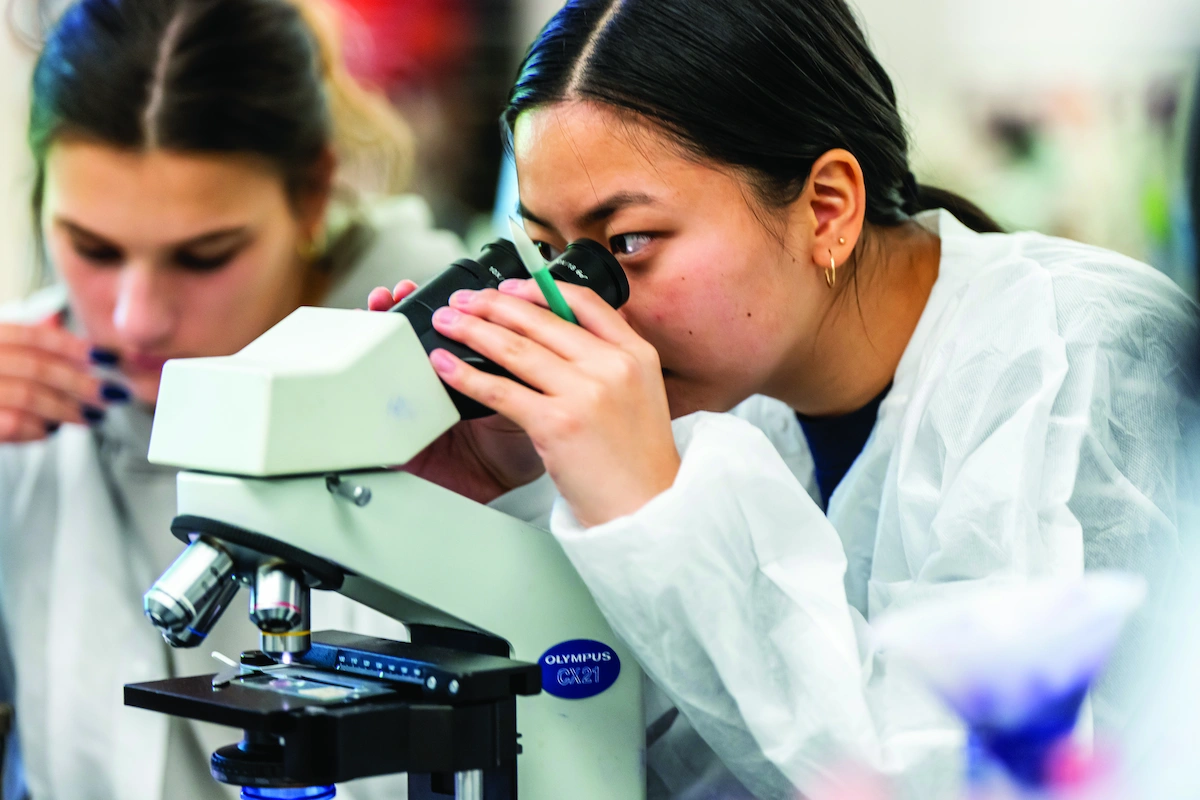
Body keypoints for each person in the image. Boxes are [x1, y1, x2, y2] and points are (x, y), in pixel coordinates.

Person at [368, 0, 1200, 797]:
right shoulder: (735, 387)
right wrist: (507, 487)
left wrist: (659, 504)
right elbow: (675, 752)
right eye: (550, 252)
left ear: (827, 208)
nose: (588, 302)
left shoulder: (1077, 352)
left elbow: (975, 778)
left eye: (627, 243)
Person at [0, 0, 464, 798]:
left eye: (205, 255)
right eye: (93, 247)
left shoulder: (462, 379)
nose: (135, 317)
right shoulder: (25, 390)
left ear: (314, 194)